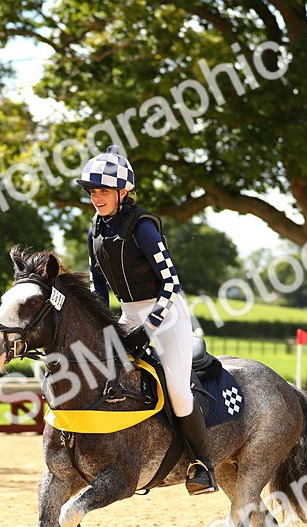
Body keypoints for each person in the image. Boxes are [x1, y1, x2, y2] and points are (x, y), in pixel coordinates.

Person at [76, 146, 216, 495]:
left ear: (123, 192)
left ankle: (203, 466)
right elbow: (98, 289)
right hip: (127, 314)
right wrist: (102, 326)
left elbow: (171, 283)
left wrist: (149, 326)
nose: (96, 197)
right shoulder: (95, 229)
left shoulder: (142, 227)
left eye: (103, 190)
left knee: (179, 391)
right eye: (92, 191)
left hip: (167, 313)